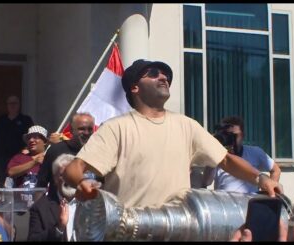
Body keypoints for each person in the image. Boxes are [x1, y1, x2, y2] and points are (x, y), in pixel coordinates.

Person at [63, 59, 282, 208]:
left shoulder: (186, 125)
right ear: (134, 87)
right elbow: (73, 169)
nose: (163, 77)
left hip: (180, 231)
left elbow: (225, 159)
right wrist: (82, 182)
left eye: (166, 74)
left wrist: (261, 178)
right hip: (130, 232)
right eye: (153, 73)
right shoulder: (117, 127)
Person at [28, 153, 99, 241]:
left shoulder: (92, 203)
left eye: (71, 176)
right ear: (55, 179)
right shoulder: (40, 208)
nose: (68, 180)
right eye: (63, 175)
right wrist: (59, 228)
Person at [207, 116, 281, 194]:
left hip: (249, 202)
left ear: (242, 135)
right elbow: (207, 182)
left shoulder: (255, 152)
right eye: (228, 136)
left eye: (234, 136)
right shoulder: (218, 155)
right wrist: (213, 148)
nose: (231, 139)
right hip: (225, 202)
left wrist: (268, 192)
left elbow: (276, 170)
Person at [36, 113, 97, 194]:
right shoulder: (55, 150)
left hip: (88, 205)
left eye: (90, 129)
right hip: (57, 204)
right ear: (71, 130)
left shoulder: (97, 153)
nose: (86, 133)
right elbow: (41, 184)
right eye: (81, 129)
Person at [0, 95, 34, 187]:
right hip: (2, 157)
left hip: (20, 157)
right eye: (10, 103)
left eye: (15, 103)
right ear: (7, 105)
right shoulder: (1, 120)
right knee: (1, 181)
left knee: (18, 181)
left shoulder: (26, 120)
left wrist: (28, 149)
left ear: (19, 105)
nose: (12, 105)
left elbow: (32, 136)